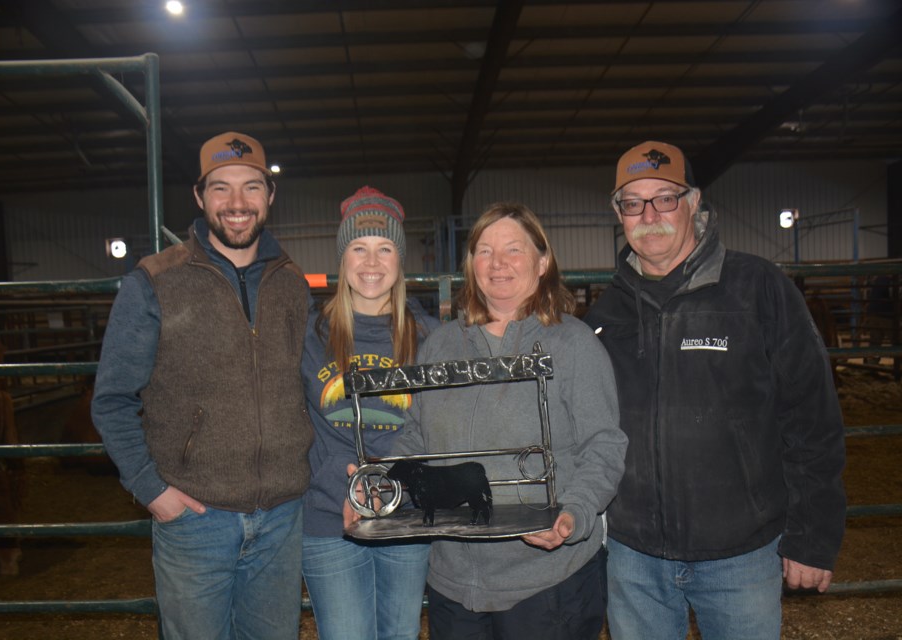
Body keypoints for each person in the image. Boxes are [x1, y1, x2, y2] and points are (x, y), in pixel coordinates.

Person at [584, 141, 847, 639]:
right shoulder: (606, 315)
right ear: (619, 214)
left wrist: (812, 537)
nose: (649, 214)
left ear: (694, 202)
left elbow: (812, 420)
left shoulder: (758, 289)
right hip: (634, 557)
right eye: (633, 202)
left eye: (665, 197)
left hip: (741, 554)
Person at [352, 202, 628, 640]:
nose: (497, 264)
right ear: (471, 265)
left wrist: (574, 514)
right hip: (454, 583)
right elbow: (417, 437)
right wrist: (383, 482)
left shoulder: (573, 344)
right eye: (484, 251)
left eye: (513, 250)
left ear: (542, 262)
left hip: (545, 580)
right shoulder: (441, 345)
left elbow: (604, 444)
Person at [91, 131, 313, 640]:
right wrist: (151, 489)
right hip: (194, 516)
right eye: (221, 188)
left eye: (252, 187)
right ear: (199, 196)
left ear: (270, 196)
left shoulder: (291, 283)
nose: (237, 203)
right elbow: (112, 400)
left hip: (280, 516)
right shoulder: (153, 282)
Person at [301, 186, 440, 640]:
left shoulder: (430, 338)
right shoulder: (311, 335)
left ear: (401, 260)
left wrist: (385, 483)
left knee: (399, 633)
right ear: (342, 259)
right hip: (328, 518)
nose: (372, 262)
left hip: (406, 514)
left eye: (385, 249)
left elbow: (436, 428)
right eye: (358, 248)